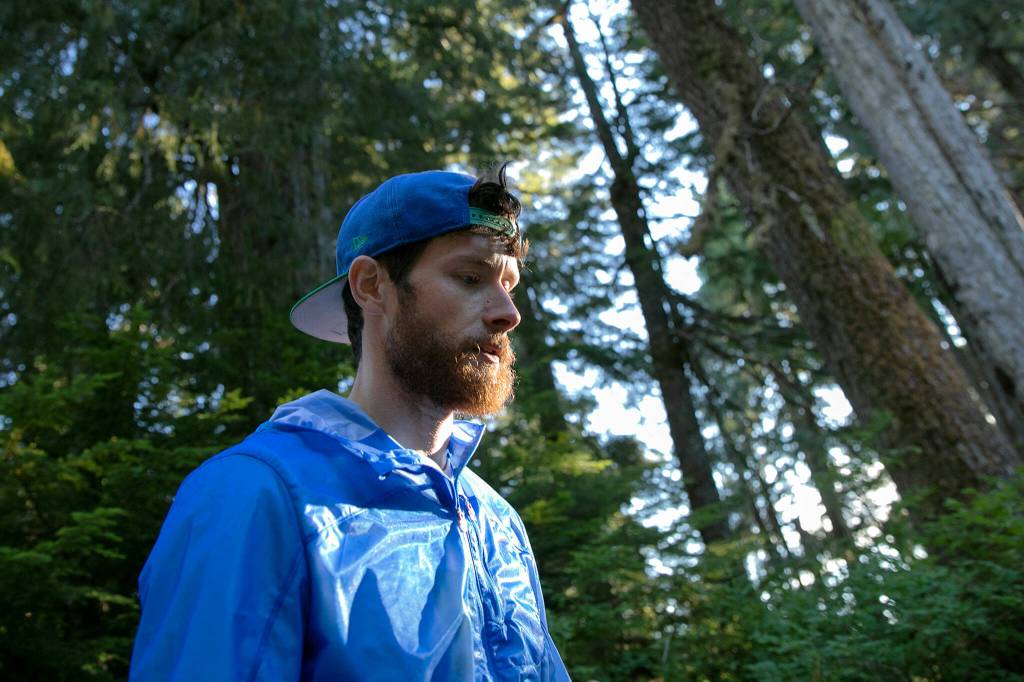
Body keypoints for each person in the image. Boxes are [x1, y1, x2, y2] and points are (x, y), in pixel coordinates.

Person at [129, 168, 571, 681]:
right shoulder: (255, 495)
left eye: (509, 284)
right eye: (470, 278)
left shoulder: (497, 521)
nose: (507, 313)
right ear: (371, 286)